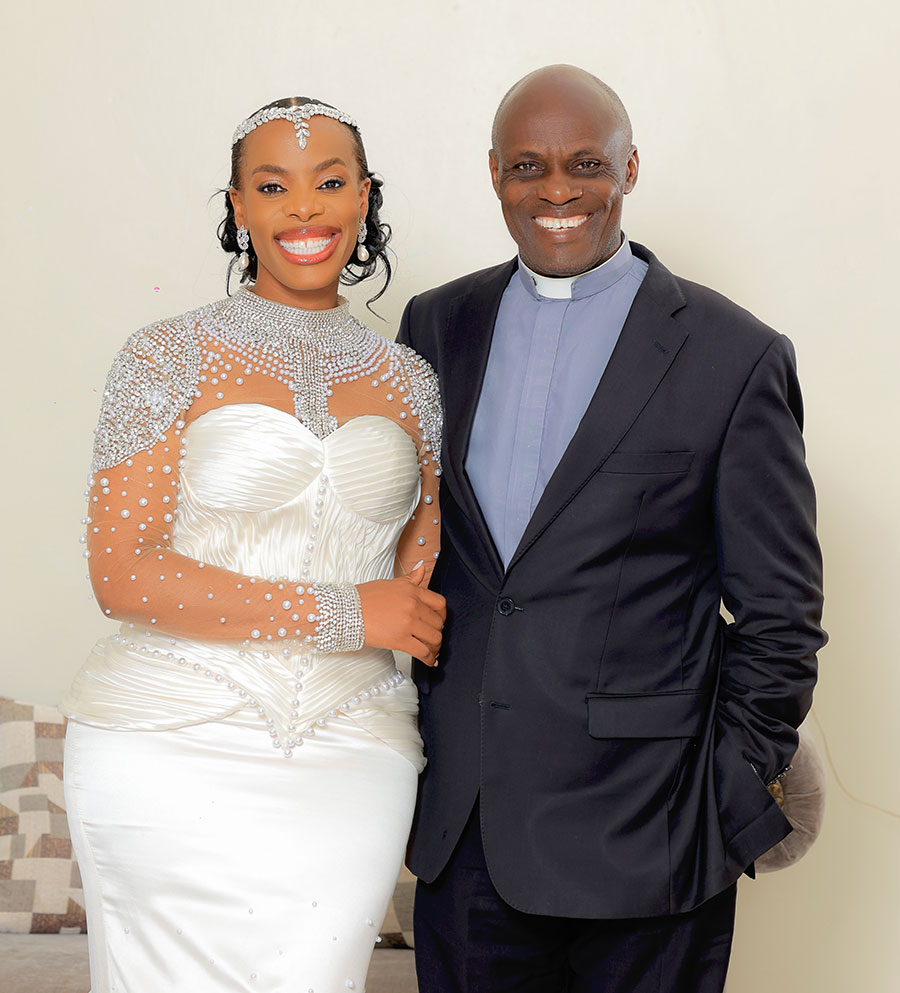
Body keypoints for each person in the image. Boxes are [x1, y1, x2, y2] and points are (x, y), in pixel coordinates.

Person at [397, 65, 826, 993]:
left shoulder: (733, 354)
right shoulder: (435, 325)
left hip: (652, 835)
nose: (557, 191)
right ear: (494, 174)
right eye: (528, 166)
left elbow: (782, 616)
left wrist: (725, 791)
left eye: (587, 163)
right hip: (466, 831)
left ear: (631, 169)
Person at [61, 96, 446, 993]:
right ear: (238, 208)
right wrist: (344, 609)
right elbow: (120, 573)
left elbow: (416, 592)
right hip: (164, 743)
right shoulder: (164, 356)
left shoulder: (412, 381)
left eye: (330, 182)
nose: (304, 209)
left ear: (363, 199)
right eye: (273, 187)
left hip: (352, 754)